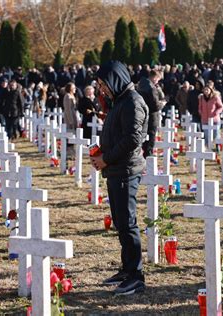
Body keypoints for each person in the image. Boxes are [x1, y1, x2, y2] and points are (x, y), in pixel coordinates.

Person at [91, 61, 148, 295]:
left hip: (125, 170)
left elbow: (132, 139)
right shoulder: (119, 101)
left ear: (115, 79)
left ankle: (136, 275)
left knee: (128, 223)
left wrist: (107, 158)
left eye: (104, 84)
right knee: (120, 222)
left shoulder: (133, 102)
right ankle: (127, 269)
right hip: (116, 169)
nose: (102, 89)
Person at [137, 69, 165, 158]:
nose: (158, 82)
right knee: (150, 140)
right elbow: (155, 105)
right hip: (152, 117)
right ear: (155, 78)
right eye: (158, 79)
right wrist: (162, 103)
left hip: (142, 115)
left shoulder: (140, 85)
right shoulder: (151, 88)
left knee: (144, 138)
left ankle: (143, 158)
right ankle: (148, 161)